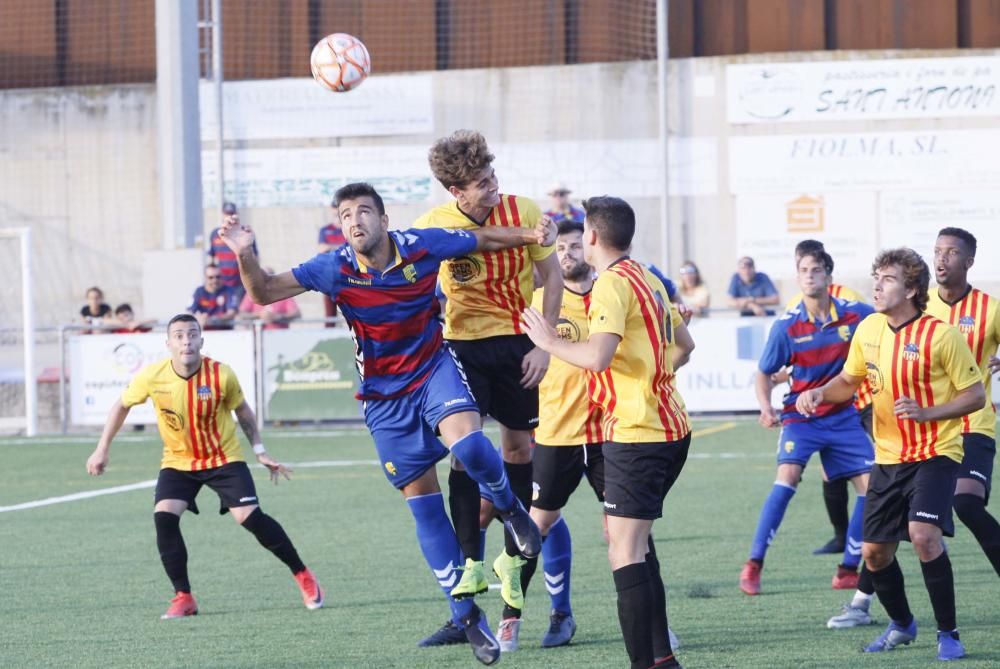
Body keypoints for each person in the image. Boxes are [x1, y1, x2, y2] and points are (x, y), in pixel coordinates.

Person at [219, 181, 547, 666]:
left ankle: (512, 510)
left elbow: (484, 239)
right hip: (382, 399)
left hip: (434, 369)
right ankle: (466, 615)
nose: (355, 220)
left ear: (384, 220)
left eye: (364, 211)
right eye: (346, 213)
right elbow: (264, 291)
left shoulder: (422, 244)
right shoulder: (333, 266)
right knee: (424, 508)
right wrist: (246, 254)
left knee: (473, 444)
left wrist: (531, 233)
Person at [522, 195, 694, 669]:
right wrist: (648, 377)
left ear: (593, 236)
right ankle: (661, 656)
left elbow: (596, 357)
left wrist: (549, 341)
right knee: (632, 542)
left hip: (637, 433)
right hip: (668, 425)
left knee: (624, 549)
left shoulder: (612, 286)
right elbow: (685, 345)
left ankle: (651, 662)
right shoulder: (650, 280)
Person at [797, 248, 985, 662]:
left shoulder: (941, 335)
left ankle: (948, 634)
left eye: (888, 279)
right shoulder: (868, 330)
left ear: (913, 288)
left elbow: (975, 395)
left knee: (923, 536)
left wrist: (928, 413)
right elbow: (849, 381)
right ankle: (902, 624)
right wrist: (818, 393)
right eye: (876, 278)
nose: (877, 286)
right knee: (874, 553)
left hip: (936, 452)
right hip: (887, 457)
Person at [413, 130, 563, 648]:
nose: (493, 187)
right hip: (461, 347)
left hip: (518, 344)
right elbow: (411, 281)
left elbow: (552, 275)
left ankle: (512, 604)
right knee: (463, 453)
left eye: (493, 176)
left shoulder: (523, 209)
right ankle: (467, 595)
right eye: (481, 183)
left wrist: (543, 344)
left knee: (518, 448)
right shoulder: (434, 225)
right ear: (457, 193)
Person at [85, 313, 324, 619]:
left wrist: (260, 451)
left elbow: (244, 412)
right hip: (178, 461)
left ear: (201, 339)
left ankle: (302, 574)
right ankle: (184, 597)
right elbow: (122, 405)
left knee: (249, 519)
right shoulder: (152, 376)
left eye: (192, 334)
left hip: (223, 458)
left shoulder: (222, 375)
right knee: (164, 518)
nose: (187, 340)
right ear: (168, 343)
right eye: (180, 335)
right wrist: (101, 449)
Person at [738, 247, 875, 597]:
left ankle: (848, 569)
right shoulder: (786, 326)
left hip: (843, 416)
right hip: (801, 418)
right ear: (797, 277)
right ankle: (754, 564)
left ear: (829, 276)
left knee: (871, 485)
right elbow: (764, 372)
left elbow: (889, 327)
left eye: (816, 270)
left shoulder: (857, 315)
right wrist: (765, 407)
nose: (810, 276)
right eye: (803, 270)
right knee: (788, 476)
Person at [207, 202, 256, 302]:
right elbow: (212, 259)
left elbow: (255, 256)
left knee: (238, 308)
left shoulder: (244, 232)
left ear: (236, 214)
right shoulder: (215, 234)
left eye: (232, 214)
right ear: (223, 214)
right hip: (221, 282)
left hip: (240, 281)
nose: (230, 216)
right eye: (227, 214)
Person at [318, 202, 346, 327]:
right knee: (330, 316)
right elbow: (322, 249)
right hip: (330, 277)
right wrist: (342, 247)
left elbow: (353, 248)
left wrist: (332, 247)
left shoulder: (348, 229)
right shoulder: (325, 230)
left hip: (347, 276)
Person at [188, 266, 239, 330]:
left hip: (225, 332)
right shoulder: (198, 292)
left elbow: (232, 313)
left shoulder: (229, 291)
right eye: (210, 277)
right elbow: (189, 312)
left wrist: (214, 319)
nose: (215, 280)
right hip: (204, 332)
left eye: (218, 277)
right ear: (205, 278)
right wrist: (199, 318)